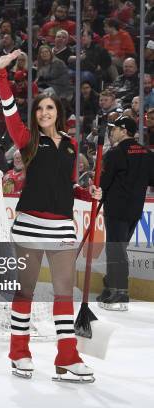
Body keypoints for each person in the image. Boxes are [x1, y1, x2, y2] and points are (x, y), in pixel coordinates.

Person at [0, 50, 101, 382]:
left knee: (63, 292)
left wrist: (89, 194)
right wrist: (2, 74)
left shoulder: (70, 145)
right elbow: (9, 109)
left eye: (49, 108)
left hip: (62, 228)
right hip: (30, 225)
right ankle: (19, 352)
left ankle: (67, 357)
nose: (43, 112)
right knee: (25, 290)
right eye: (39, 108)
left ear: (59, 113)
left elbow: (67, 186)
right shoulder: (27, 140)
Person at [98, 116, 154, 311]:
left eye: (114, 129)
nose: (112, 132)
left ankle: (120, 290)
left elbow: (103, 182)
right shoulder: (147, 153)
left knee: (116, 249)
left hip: (116, 209)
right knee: (118, 248)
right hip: (134, 210)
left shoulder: (115, 153)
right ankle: (110, 286)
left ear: (123, 130)